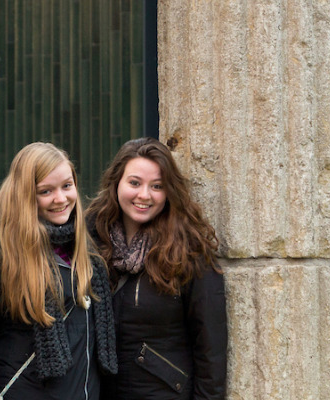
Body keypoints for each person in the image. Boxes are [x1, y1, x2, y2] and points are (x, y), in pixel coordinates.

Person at [0, 142, 117, 399]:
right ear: (25, 195)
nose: (60, 199)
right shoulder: (3, 256)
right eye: (45, 191)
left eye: (67, 186)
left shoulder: (87, 252)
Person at [85, 137, 226, 400]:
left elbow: (211, 350)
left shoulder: (189, 250)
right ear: (117, 183)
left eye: (157, 186)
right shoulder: (90, 240)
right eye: (135, 183)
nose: (144, 195)